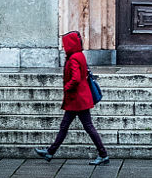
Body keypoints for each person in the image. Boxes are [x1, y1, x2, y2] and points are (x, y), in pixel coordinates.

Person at [35, 30, 110, 165]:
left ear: (70, 44)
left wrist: (67, 87)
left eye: (65, 44)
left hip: (77, 99)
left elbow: (75, 78)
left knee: (86, 126)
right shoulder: (79, 55)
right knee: (66, 126)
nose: (64, 47)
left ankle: (103, 154)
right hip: (78, 98)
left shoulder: (74, 58)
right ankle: (50, 152)